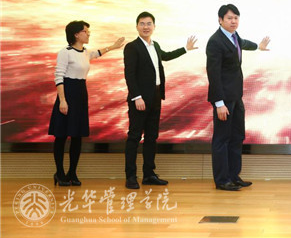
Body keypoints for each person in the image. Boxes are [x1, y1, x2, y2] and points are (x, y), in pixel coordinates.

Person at [123, 11, 197, 189]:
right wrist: (136, 97)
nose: (146, 27)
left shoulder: (155, 45)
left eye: (149, 24)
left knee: (151, 137)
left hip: (156, 97)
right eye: (142, 23)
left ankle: (149, 174)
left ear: (154, 27)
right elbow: (129, 75)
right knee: (134, 137)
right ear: (137, 26)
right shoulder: (132, 47)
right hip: (139, 99)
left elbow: (166, 55)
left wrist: (185, 49)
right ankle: (130, 177)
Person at [49, 20, 124, 186]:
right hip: (67, 93)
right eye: (86, 31)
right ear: (76, 34)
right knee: (61, 135)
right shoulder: (65, 52)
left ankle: (72, 173)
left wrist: (113, 46)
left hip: (81, 94)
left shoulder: (85, 52)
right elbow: (59, 76)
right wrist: (62, 100)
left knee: (77, 136)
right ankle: (59, 173)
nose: (88, 34)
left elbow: (97, 53)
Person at [206, 4, 270, 191]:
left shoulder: (234, 37)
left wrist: (258, 46)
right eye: (229, 18)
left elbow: (243, 43)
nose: (233, 21)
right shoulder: (215, 42)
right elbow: (213, 74)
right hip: (224, 100)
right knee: (222, 139)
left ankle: (234, 176)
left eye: (236, 18)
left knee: (236, 137)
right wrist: (219, 103)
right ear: (220, 20)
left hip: (236, 97)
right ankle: (222, 180)